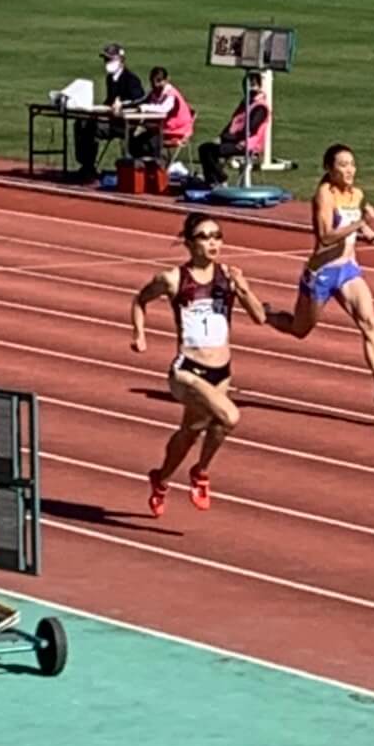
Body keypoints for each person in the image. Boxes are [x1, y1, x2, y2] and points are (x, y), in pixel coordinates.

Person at [130, 212, 266, 518]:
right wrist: (139, 335)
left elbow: (259, 317)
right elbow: (139, 301)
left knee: (191, 431)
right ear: (190, 243)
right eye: (205, 237)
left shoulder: (229, 277)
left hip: (221, 371)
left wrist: (243, 288)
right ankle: (201, 472)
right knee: (229, 417)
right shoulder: (173, 279)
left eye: (217, 236)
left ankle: (161, 478)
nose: (213, 242)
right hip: (187, 370)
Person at [266, 142, 374, 405]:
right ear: (329, 169)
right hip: (322, 272)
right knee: (300, 329)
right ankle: (266, 314)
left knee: (370, 323)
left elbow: (354, 226)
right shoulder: (324, 195)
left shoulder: (357, 194)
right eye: (342, 165)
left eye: (352, 164)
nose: (349, 170)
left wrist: (368, 233)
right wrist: (361, 222)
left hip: (348, 269)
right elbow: (326, 237)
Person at [73, 43, 146, 181]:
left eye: (110, 59)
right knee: (81, 123)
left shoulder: (131, 79)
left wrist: (122, 104)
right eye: (106, 60)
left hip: (126, 124)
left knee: (92, 127)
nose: (106, 63)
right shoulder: (110, 79)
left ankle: (88, 167)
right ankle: (86, 164)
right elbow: (109, 102)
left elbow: (139, 100)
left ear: (121, 60)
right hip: (112, 121)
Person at [198, 69, 270, 187]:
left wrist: (228, 138)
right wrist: (221, 137)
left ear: (259, 86)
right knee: (205, 148)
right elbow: (233, 123)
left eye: (253, 85)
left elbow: (251, 129)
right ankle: (212, 180)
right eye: (247, 85)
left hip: (246, 145)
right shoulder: (245, 103)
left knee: (208, 151)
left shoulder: (260, 107)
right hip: (235, 141)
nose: (249, 88)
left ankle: (220, 178)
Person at [137, 65, 195, 164]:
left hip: (177, 131)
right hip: (162, 129)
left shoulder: (171, 94)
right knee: (136, 140)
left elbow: (164, 109)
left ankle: (156, 167)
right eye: (153, 81)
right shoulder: (154, 92)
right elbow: (141, 102)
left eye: (159, 81)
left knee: (151, 141)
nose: (155, 84)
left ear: (166, 80)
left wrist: (145, 107)